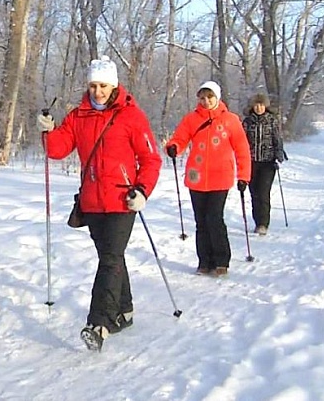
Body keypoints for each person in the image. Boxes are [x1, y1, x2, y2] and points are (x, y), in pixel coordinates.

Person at [36, 55, 162, 351]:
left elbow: (150, 159)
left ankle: (99, 323)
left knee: (110, 259)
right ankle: (125, 311)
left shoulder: (131, 116)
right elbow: (58, 150)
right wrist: (48, 130)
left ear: (114, 85)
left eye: (103, 85)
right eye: (93, 85)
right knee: (112, 257)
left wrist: (142, 190)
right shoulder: (78, 116)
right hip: (92, 202)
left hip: (123, 201)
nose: (98, 91)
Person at [164, 81, 251, 277]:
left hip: (221, 177)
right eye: (202, 98)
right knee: (200, 221)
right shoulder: (191, 119)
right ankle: (204, 261)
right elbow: (180, 139)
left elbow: (242, 149)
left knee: (214, 218)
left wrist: (244, 176)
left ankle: (221, 261)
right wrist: (173, 147)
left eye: (209, 97)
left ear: (217, 97)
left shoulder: (230, 120)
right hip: (197, 177)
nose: (206, 101)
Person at [242, 93, 285, 236]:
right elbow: (241, 141)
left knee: (263, 192)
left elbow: (277, 138)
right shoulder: (247, 122)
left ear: (265, 106)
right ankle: (257, 221)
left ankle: (263, 223)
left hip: (268, 162)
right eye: (256, 105)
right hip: (251, 162)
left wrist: (279, 153)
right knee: (254, 193)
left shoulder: (272, 120)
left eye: (261, 105)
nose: (259, 108)